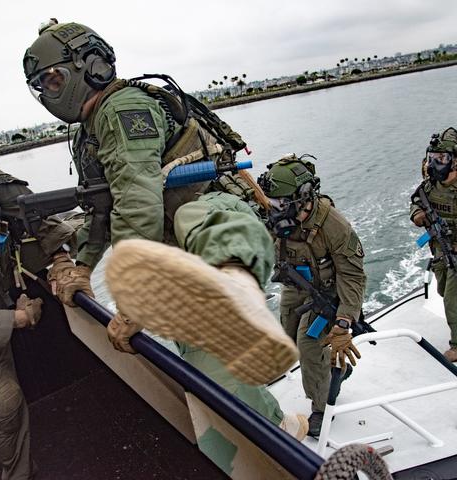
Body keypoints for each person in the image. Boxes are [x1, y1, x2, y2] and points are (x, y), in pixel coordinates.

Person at [22, 19, 308, 448]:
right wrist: (83, 266)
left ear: (91, 66)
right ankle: (279, 425)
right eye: (40, 85)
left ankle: (278, 437)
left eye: (54, 78)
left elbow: (137, 205)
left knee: (209, 358)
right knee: (201, 348)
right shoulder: (90, 129)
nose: (49, 92)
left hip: (210, 232)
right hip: (176, 246)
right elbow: (103, 207)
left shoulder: (123, 111)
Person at [0, 151, 80, 479]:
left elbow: (33, 210)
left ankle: (18, 474)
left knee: (6, 401)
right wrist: (18, 319)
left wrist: (62, 258)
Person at [257, 153, 367, 437]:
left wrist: (344, 321)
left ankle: (322, 408)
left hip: (326, 293)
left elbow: (352, 275)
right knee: (288, 338)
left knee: (308, 344)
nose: (274, 209)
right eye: (272, 202)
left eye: (281, 203)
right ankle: (334, 374)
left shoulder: (334, 226)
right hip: (294, 288)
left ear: (303, 198)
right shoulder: (275, 217)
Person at [410, 127, 457, 363]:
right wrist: (418, 214)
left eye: (441, 159)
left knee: (451, 298)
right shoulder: (430, 186)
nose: (435, 164)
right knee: (441, 290)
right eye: (432, 158)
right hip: (439, 249)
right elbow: (416, 201)